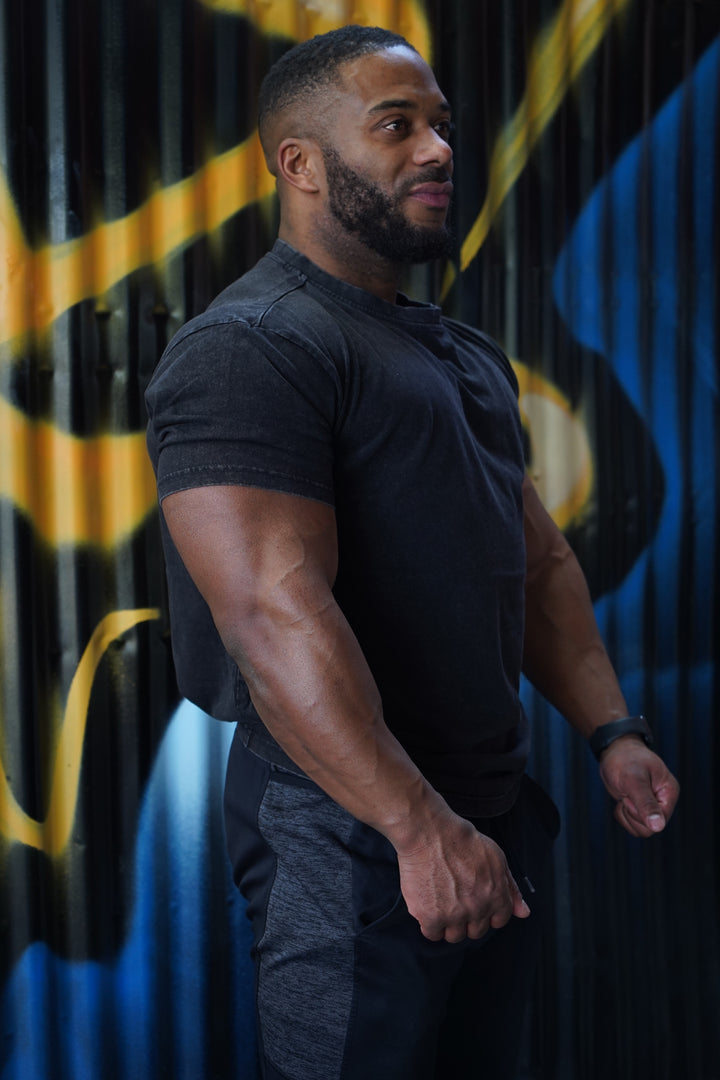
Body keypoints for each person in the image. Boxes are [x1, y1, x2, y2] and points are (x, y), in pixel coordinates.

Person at [145, 25, 679, 1080]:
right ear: (299, 163)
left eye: (441, 125)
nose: (439, 150)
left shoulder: (458, 353)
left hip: (483, 817)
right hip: (349, 833)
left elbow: (537, 567)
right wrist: (416, 829)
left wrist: (612, 728)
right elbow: (271, 614)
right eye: (397, 126)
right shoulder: (251, 348)